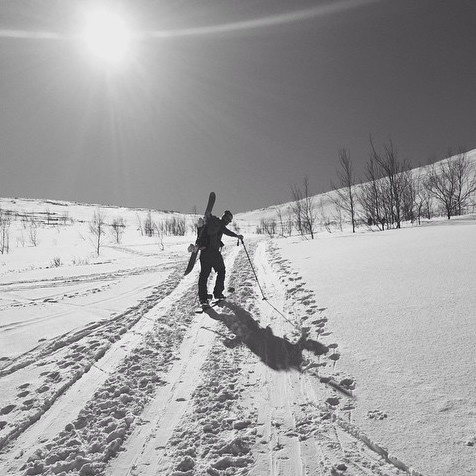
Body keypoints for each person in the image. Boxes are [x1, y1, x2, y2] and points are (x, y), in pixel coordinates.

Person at [196, 210, 243, 307]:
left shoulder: (212, 223)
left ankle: (203, 299)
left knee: (204, 275)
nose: (228, 222)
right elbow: (227, 232)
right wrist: (237, 236)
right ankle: (217, 293)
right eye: (229, 220)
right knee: (221, 270)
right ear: (226, 218)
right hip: (213, 253)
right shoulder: (220, 225)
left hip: (204, 252)